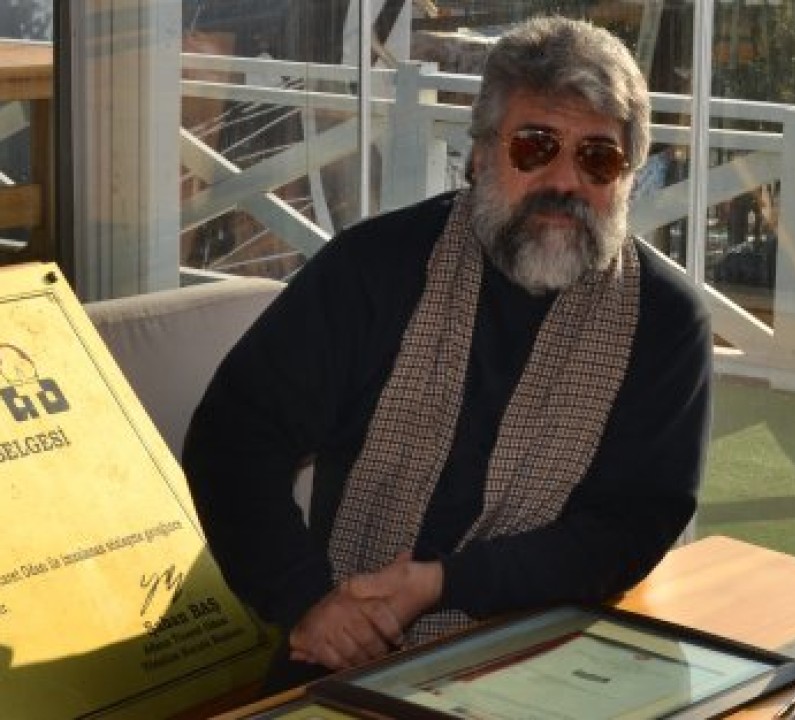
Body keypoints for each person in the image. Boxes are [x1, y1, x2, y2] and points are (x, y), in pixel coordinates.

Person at [182, 16, 712, 693]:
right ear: (481, 155)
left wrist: (442, 584)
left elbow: (629, 526)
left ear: (629, 177)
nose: (565, 181)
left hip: (551, 660)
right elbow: (235, 437)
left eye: (598, 158)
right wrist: (307, 600)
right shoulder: (374, 270)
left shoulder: (665, 322)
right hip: (347, 648)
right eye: (535, 147)